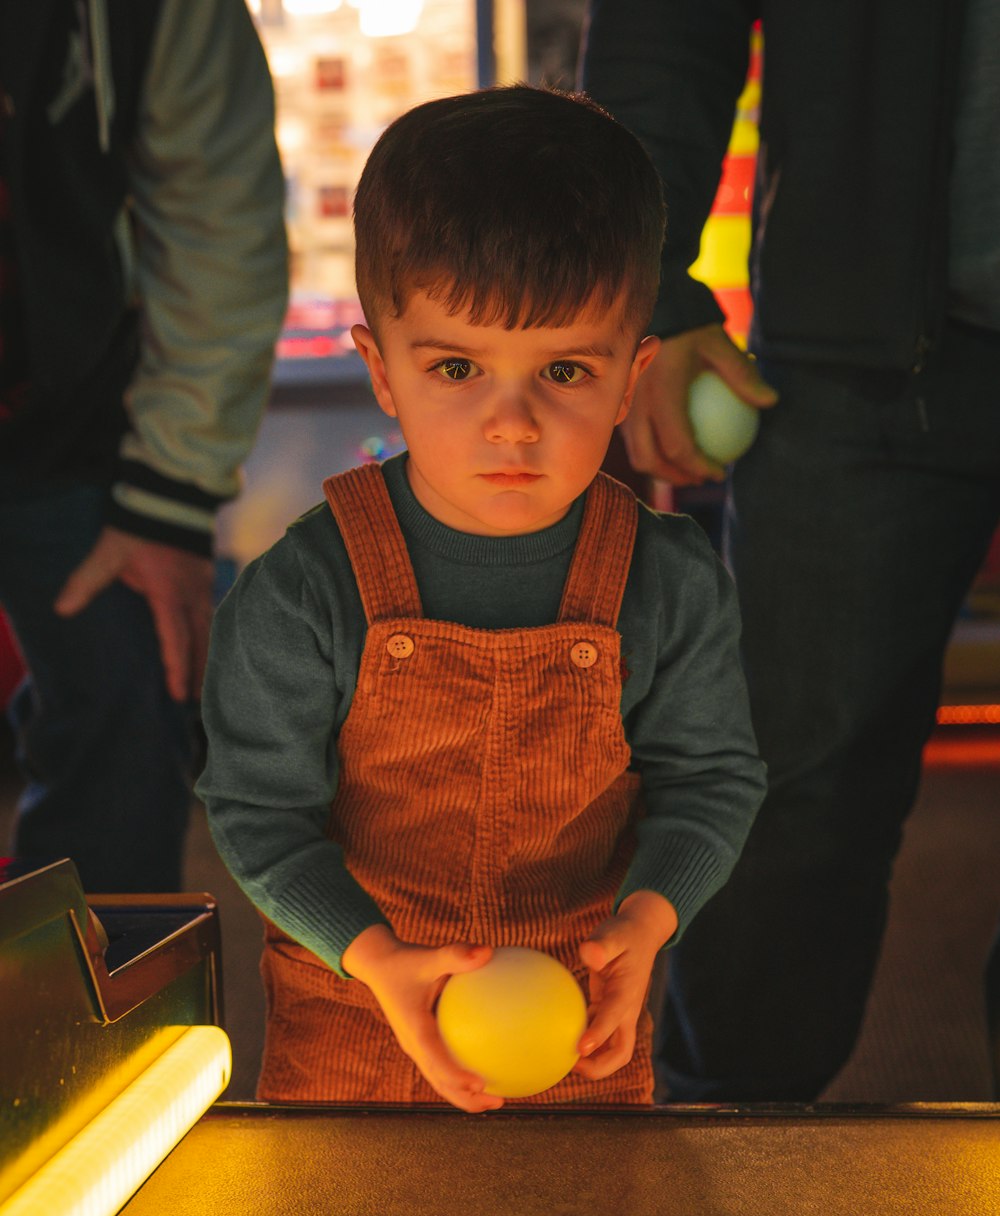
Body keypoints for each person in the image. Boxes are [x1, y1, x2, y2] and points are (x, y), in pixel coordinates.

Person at [196, 84, 766, 1112]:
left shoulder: (670, 583)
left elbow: (711, 781)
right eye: (457, 366)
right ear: (380, 367)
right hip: (354, 1031)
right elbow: (258, 812)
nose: (513, 424)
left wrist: (646, 921)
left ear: (630, 375)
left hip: (582, 1035)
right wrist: (369, 954)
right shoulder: (302, 592)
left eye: (562, 369)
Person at [582, 0, 1000, 1099]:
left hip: (848, 331)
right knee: (781, 798)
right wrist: (651, 291)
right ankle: (725, 1163)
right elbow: (670, 26)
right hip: (848, 342)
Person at [0, 0, 288, 892]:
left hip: (66, 411)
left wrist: (170, 492)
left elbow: (215, 215)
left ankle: (92, 1029)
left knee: (133, 694)